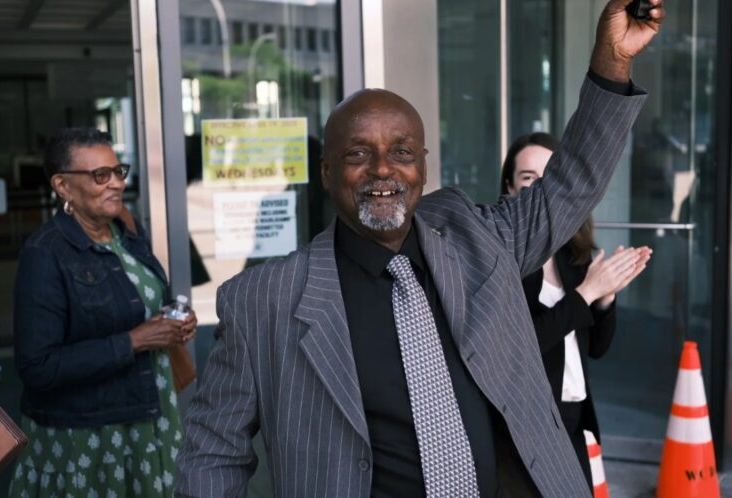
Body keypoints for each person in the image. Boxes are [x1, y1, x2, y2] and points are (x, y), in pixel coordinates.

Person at [176, 1, 665, 496]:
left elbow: (570, 183)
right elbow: (213, 453)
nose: (382, 169)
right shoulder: (264, 301)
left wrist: (612, 62)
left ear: (423, 167)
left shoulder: (479, 240)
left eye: (402, 152)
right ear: (326, 172)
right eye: (358, 153)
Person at [10, 128, 197, 497]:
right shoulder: (45, 254)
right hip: (90, 436)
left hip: (150, 421)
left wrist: (174, 321)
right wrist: (134, 341)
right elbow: (37, 367)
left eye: (118, 171)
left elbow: (142, 301)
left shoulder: (126, 230)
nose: (116, 183)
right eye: (100, 175)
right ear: (63, 186)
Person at [500, 132, 651, 488]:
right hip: (524, 420)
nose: (540, 188)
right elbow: (516, 349)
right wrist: (585, 295)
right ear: (509, 187)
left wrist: (605, 298)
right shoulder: (501, 259)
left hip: (572, 415)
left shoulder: (574, 254)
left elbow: (596, 348)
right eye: (528, 178)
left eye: (550, 177)